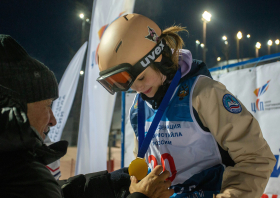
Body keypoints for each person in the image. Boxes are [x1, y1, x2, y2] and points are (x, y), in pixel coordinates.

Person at [96, 13, 276, 198]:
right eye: (130, 84)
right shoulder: (138, 107)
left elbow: (256, 159)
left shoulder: (203, 93)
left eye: (141, 77)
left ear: (160, 57)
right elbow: (143, 166)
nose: (138, 88)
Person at [0, 34, 174, 198]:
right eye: (47, 105)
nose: (53, 120)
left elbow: (61, 192)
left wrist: (110, 184)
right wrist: (140, 196)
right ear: (15, 107)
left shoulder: (14, 166)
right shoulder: (21, 175)